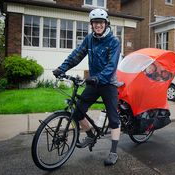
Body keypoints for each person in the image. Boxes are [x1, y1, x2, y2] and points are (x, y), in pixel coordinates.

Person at [52, 8, 121, 166]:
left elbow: (111, 66)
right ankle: (90, 135)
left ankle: (113, 152)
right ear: (91, 24)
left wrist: (98, 78)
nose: (98, 25)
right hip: (93, 82)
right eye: (95, 22)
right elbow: (76, 55)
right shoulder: (89, 39)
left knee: (113, 118)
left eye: (101, 22)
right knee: (78, 111)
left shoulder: (114, 41)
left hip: (108, 82)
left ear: (106, 23)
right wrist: (61, 69)